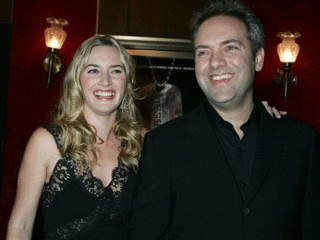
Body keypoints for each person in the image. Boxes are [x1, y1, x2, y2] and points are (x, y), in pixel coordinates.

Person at [128, 0, 320, 239]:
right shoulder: (162, 145)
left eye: (230, 47)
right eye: (203, 52)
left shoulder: (300, 141)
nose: (215, 62)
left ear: (258, 58)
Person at [6, 35, 143, 240]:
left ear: (127, 81)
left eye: (116, 70)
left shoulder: (143, 143)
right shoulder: (47, 142)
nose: (105, 81)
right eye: (93, 70)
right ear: (77, 79)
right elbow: (21, 226)